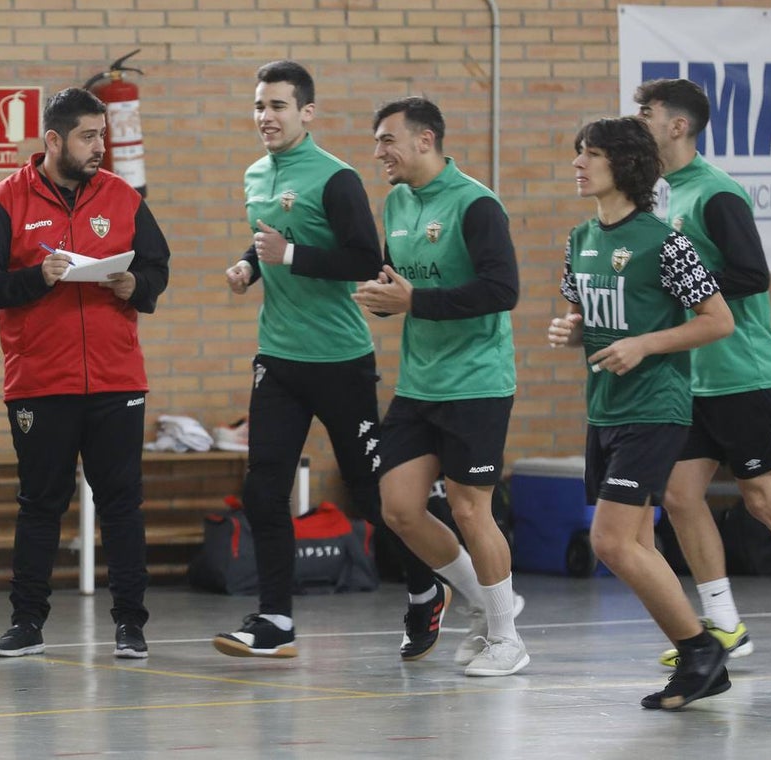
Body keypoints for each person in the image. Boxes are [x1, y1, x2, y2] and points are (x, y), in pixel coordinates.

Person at [213, 62, 494, 661]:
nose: (266, 116)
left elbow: (365, 259)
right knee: (264, 489)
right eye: (260, 105)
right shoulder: (255, 174)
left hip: (339, 360)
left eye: (279, 106)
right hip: (277, 358)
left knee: (373, 495)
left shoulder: (335, 178)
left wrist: (289, 255)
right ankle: (275, 620)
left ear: (307, 112)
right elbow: (269, 239)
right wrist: (250, 265)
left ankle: (425, 588)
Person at [635, 78, 771, 671]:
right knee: (680, 496)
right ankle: (724, 624)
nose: (640, 121)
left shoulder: (716, 193)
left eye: (647, 113)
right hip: (692, 375)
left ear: (678, 126)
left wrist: (678, 287)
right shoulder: (662, 195)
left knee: (763, 498)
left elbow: (751, 274)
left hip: (741, 371)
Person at [0, 87, 170, 659]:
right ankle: (26, 623)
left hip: (117, 380)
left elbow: (157, 266)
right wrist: (37, 277)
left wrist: (137, 286)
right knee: (40, 505)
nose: (99, 146)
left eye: (102, 135)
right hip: (40, 382)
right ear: (53, 140)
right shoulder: (5, 201)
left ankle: (130, 625)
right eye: (88, 136)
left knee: (122, 506)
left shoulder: (122, 197)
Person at [548, 115, 736, 709]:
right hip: (604, 409)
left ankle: (701, 650)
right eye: (578, 152)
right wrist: (572, 330)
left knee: (610, 542)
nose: (578, 163)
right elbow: (587, 315)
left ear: (624, 165)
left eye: (591, 154)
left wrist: (646, 345)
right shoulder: (579, 238)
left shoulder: (665, 242)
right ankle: (701, 661)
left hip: (656, 407)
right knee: (634, 544)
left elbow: (718, 321)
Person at [352, 96, 526, 677]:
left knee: (471, 509)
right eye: (377, 142)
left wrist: (416, 300)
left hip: (476, 382)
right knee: (399, 508)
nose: (379, 152)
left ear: (425, 140)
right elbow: (398, 282)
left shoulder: (476, 204)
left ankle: (506, 639)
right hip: (420, 383)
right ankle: (484, 601)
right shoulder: (397, 202)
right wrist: (383, 299)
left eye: (387, 140)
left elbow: (502, 290)